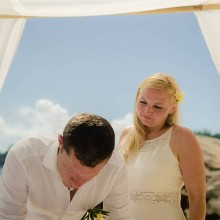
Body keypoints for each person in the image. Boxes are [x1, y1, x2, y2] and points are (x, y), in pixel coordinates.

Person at [0, 113, 133, 220]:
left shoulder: (115, 167)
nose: (78, 184)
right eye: (72, 171)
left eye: (89, 177)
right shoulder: (23, 156)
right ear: (60, 143)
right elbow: (9, 216)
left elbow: (120, 217)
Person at [119, 73, 206, 220]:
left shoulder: (182, 137)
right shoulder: (126, 135)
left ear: (172, 108)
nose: (147, 111)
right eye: (143, 102)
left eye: (158, 106)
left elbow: (197, 197)